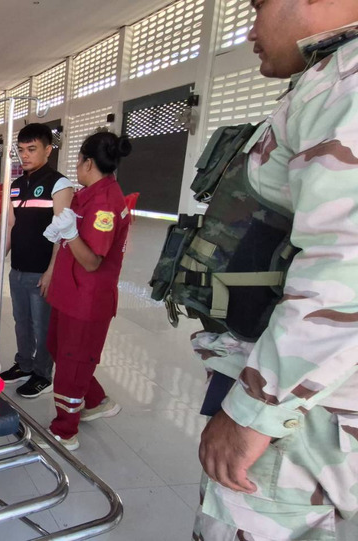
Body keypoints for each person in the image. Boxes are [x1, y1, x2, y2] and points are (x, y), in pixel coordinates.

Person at [193, 3, 358, 540]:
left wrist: (254, 411)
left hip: (310, 409)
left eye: (258, 5)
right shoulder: (328, 77)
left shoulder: (347, 84)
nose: (250, 29)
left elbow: (344, 271)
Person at [42, 131, 131, 451]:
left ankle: (65, 431)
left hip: (87, 299)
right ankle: (95, 400)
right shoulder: (89, 194)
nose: (77, 166)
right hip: (70, 292)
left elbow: (92, 261)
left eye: (78, 160)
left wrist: (69, 234)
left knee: (72, 363)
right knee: (59, 349)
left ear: (88, 162)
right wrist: (63, 228)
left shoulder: (105, 203)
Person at [0, 123, 74, 399]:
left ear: (48, 150)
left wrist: (52, 271)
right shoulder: (16, 186)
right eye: (21, 150)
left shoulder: (59, 184)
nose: (25, 155)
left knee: (43, 325)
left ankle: (43, 374)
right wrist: (0, 260)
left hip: (42, 270)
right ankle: (24, 364)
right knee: (22, 321)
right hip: (18, 268)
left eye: (32, 149)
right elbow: (11, 225)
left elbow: (64, 233)